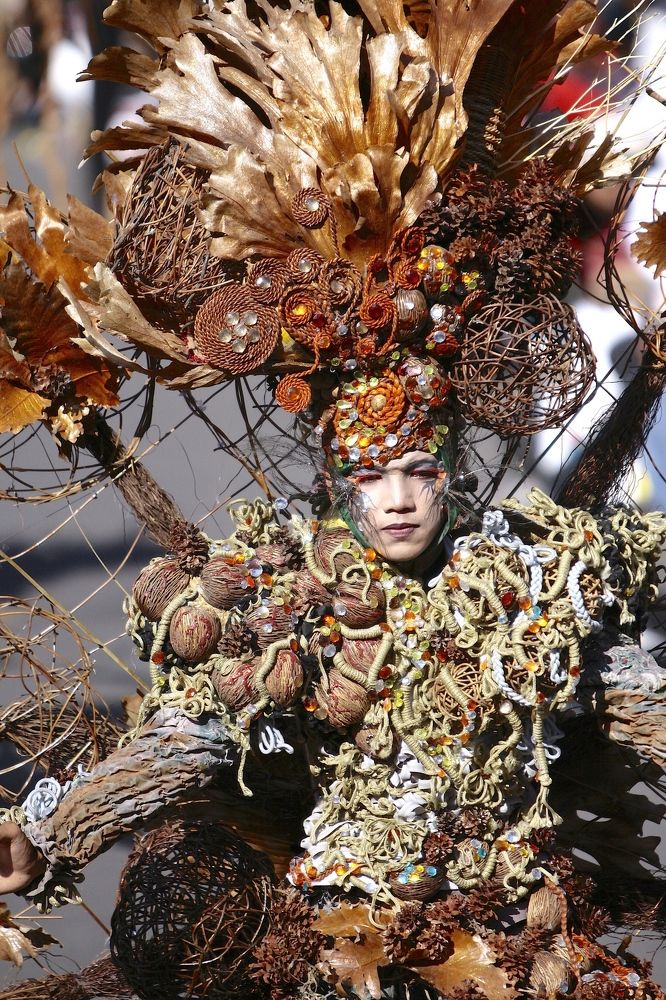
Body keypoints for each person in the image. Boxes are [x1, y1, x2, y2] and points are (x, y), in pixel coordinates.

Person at [1, 1, 666, 998]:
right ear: (335, 484)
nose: (398, 500)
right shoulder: (284, 602)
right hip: (338, 947)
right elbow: (184, 745)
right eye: (370, 478)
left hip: (513, 946)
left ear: (451, 473)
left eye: (418, 474)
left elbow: (635, 700)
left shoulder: (528, 588)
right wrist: (55, 829)